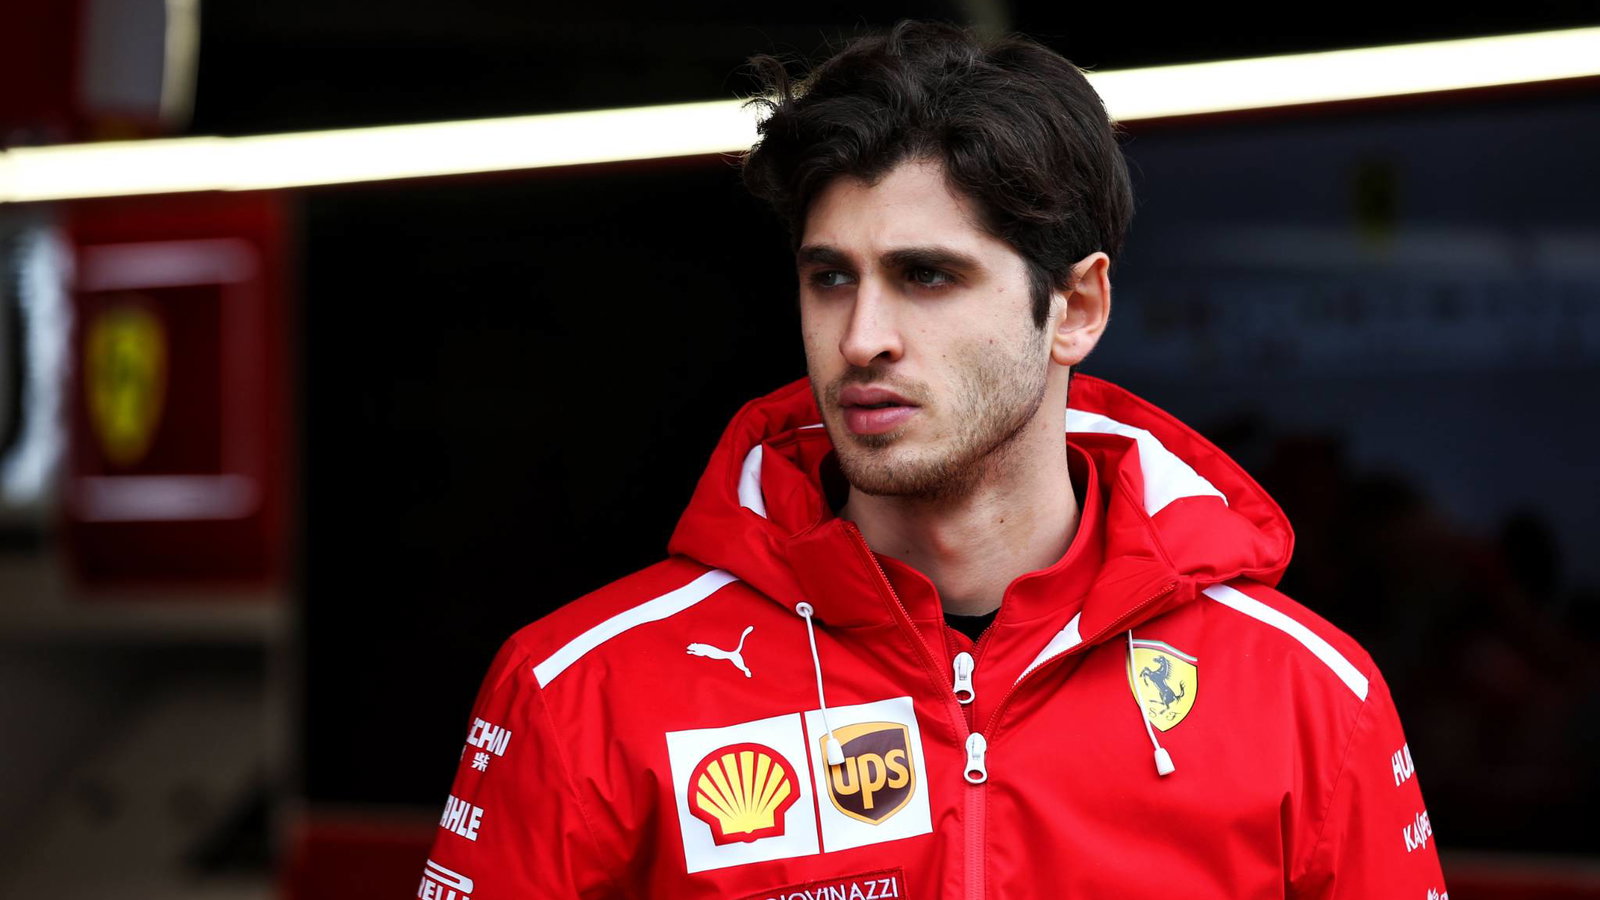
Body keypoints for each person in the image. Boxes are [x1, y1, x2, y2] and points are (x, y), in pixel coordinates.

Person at [420, 21, 1446, 899]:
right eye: (831, 277)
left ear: (1076, 308)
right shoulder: (583, 688)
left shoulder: (1306, 696)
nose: (862, 337)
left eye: (926, 276)